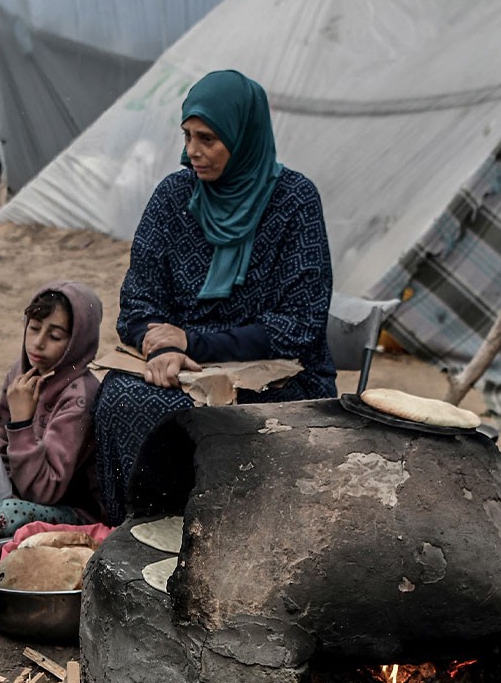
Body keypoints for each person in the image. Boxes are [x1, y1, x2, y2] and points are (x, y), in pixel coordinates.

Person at [94, 69, 336, 524]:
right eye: (187, 136)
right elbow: (138, 303)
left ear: (244, 136)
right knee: (122, 397)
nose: (192, 152)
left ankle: (220, 538)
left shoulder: (294, 202)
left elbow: (299, 328)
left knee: (207, 419)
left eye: (207, 138)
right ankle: (139, 535)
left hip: (278, 379)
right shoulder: (173, 197)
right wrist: (163, 345)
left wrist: (192, 342)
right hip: (181, 368)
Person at [0, 282, 103, 537]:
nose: (38, 343)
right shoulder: (22, 373)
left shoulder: (80, 396)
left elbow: (45, 491)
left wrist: (21, 424)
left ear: (77, 342)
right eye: (34, 328)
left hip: (71, 509)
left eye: (55, 336)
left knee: (4, 517)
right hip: (19, 489)